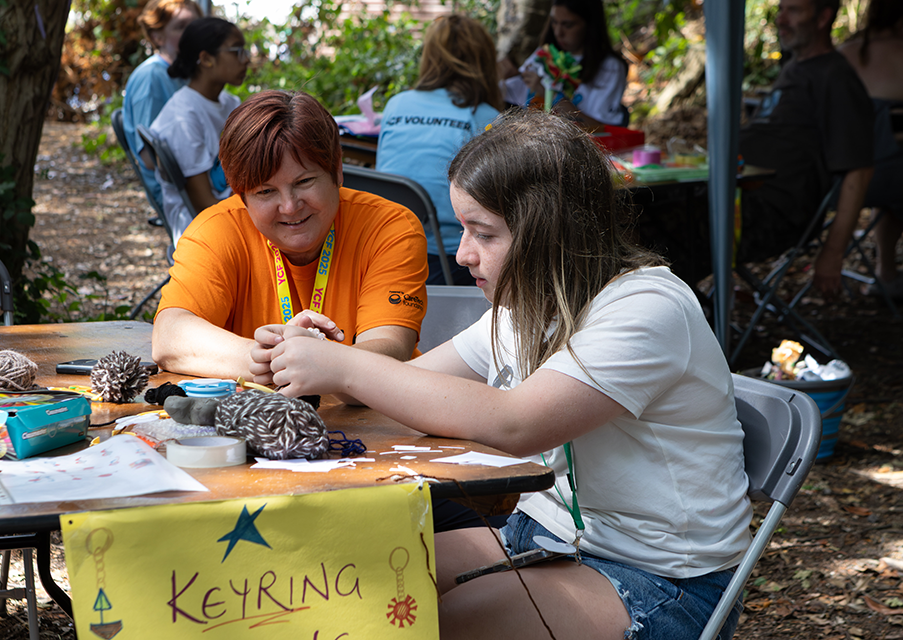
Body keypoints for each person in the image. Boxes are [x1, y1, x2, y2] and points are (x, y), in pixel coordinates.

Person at [265, 109, 754, 640]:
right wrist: (325, 357)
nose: (462, 253)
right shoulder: (526, 306)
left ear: (550, 232)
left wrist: (347, 368)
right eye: (463, 229)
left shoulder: (646, 308)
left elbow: (518, 423)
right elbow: (400, 389)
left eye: (484, 233)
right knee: (355, 577)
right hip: (543, 535)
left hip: (664, 580)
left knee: (434, 623)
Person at [152, 90, 427, 388]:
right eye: (265, 191)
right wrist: (270, 357)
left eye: (304, 181)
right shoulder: (215, 230)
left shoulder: (389, 228)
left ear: (337, 170)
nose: (290, 206)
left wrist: (314, 362)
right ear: (241, 195)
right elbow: (169, 337)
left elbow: (390, 349)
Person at [738, 0, 874, 296]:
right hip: (736, 192)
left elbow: (859, 170)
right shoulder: (794, 68)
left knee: (662, 225)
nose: (781, 19)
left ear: (823, 18)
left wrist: (833, 252)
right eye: (781, 9)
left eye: (794, 10)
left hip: (771, 212)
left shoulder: (834, 76)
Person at [376, 14, 503, 286]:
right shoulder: (487, 117)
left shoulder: (396, 105)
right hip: (451, 261)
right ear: (484, 61)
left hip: (386, 250)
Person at [149, 17, 248, 245]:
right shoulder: (182, 117)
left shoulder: (230, 103)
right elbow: (204, 205)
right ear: (206, 59)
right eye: (237, 51)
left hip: (234, 209)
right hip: (203, 231)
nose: (246, 60)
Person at [840, 0, 903, 298]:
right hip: (888, 179)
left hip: (834, 183)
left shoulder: (844, 53)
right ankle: (886, 272)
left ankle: (885, 272)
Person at [122, 0, 202, 210]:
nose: (192, 33)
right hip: (177, 195)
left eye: (195, 26)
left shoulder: (188, 74)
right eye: (181, 27)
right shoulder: (151, 77)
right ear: (157, 36)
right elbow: (149, 158)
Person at [499, 0, 628, 130]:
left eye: (568, 25)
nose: (558, 33)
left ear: (589, 24)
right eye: (554, 22)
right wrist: (501, 75)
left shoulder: (610, 67)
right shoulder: (544, 54)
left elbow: (602, 129)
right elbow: (505, 97)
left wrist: (551, 95)